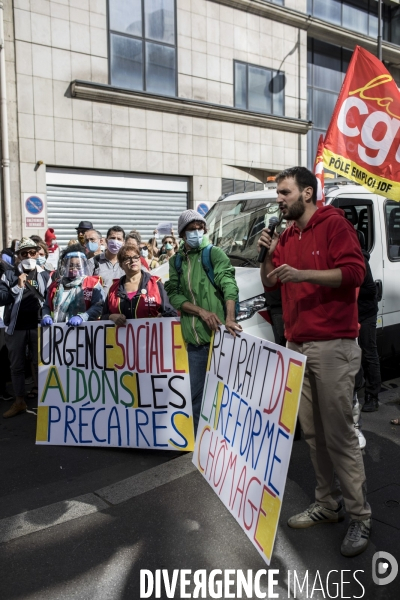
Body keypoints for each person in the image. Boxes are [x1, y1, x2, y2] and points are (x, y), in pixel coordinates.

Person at [259, 166, 371, 557]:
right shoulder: (287, 235)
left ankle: (360, 515)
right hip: (298, 345)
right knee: (313, 435)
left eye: (285, 192)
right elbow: (271, 282)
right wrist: (268, 256)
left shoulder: (333, 224)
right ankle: (327, 504)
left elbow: (355, 273)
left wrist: (303, 273)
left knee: (339, 435)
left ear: (308, 193)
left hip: (333, 346)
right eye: (278, 193)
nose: (279, 199)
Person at [165, 209, 241, 433]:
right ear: (182, 234)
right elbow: (175, 295)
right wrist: (200, 311)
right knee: (195, 396)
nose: (197, 233)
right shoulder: (176, 262)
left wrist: (229, 317)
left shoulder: (214, 254)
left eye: (200, 228)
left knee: (224, 393)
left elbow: (228, 283)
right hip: (195, 341)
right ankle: (201, 444)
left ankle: (226, 440)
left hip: (219, 338)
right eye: (191, 230)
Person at [0, 238, 50, 418]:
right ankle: (19, 401)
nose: (28, 256)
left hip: (39, 326)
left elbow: (50, 299)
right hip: (16, 327)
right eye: (24, 253)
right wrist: (17, 287)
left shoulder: (46, 274)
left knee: (41, 365)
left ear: (38, 254)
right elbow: (1, 297)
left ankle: (44, 403)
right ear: (18, 257)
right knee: (17, 366)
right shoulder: (10, 275)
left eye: (32, 252)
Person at [102, 245, 177, 323]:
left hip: (152, 334)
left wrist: (163, 316)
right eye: (127, 258)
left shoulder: (156, 283)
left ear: (140, 260)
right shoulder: (113, 288)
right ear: (121, 265)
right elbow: (103, 317)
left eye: (135, 257)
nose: (133, 260)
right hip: (119, 335)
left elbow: (171, 312)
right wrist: (110, 316)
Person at [41, 244, 104, 325]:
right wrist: (46, 316)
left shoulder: (93, 284)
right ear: (64, 265)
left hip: (86, 330)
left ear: (84, 265)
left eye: (78, 266)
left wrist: (82, 317)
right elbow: (46, 306)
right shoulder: (55, 285)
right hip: (59, 331)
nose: (74, 269)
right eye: (70, 265)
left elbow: (99, 306)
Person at [88, 226, 126, 293]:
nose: (115, 241)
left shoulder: (127, 263)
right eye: (112, 238)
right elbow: (86, 285)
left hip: (121, 303)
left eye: (119, 239)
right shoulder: (93, 262)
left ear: (123, 242)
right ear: (106, 240)